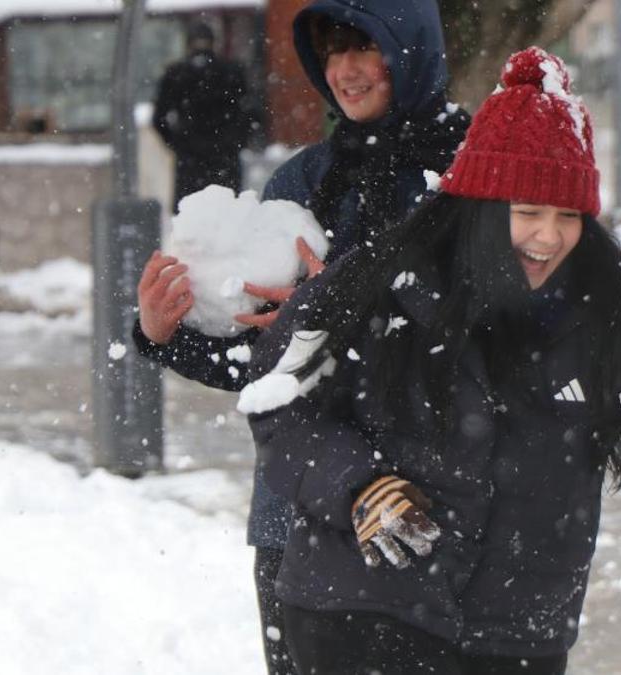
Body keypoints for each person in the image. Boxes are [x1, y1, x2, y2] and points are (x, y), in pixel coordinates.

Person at [243, 47, 621, 674]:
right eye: (527, 212)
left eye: (569, 216)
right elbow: (278, 398)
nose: (548, 237)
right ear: (477, 209)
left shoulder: (606, 299)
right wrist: (357, 487)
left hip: (520, 631)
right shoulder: (383, 279)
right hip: (365, 608)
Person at [134, 2, 470, 672]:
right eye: (331, 51)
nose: (343, 70)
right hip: (300, 519)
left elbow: (487, 341)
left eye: (363, 47)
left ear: (410, 48)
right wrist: (165, 332)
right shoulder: (303, 182)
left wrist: (336, 312)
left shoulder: (471, 179)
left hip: (429, 511)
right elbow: (262, 368)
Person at [152, 21, 253, 212]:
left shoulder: (175, 74)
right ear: (214, 43)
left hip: (190, 162)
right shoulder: (232, 72)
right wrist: (236, 141)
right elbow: (250, 112)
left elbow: (159, 119)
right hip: (225, 159)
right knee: (230, 217)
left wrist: (178, 144)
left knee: (190, 222)